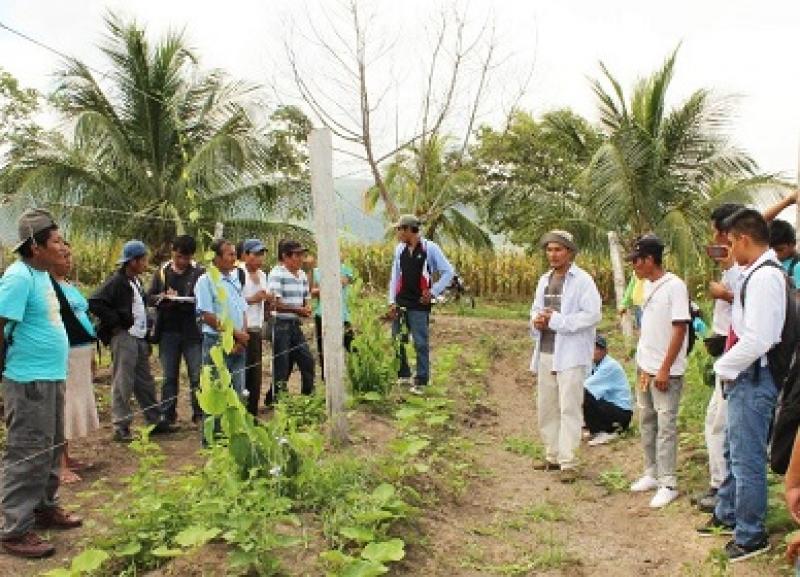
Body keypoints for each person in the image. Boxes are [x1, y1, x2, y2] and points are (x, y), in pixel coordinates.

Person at [697, 209, 786, 562]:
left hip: (753, 374)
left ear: (745, 240)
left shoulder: (766, 278)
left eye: (731, 241)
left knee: (747, 459)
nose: (728, 248)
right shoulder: (753, 273)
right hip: (745, 373)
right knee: (735, 451)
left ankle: (751, 535)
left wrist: (724, 366)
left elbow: (760, 338)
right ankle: (732, 514)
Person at [0, 208, 81, 559]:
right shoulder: (18, 277)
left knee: (49, 448)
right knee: (27, 452)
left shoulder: (40, 275)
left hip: (50, 376)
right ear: (35, 247)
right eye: (56, 241)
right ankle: (13, 528)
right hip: (29, 379)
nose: (62, 246)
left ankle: (44, 507)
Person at [530, 230, 602, 483]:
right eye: (549, 250)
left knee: (569, 407)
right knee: (546, 406)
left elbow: (592, 315)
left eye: (558, 250)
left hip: (570, 353)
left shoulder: (582, 280)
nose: (553, 254)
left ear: (569, 252)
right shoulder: (544, 280)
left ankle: (568, 461)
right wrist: (537, 321)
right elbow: (536, 310)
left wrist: (558, 321)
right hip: (547, 350)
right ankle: (552, 455)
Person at [90, 240, 175, 442]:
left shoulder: (134, 282)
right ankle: (121, 425)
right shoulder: (117, 282)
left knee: (144, 381)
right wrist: (116, 321)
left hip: (137, 336)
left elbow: (141, 302)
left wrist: (161, 298)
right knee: (123, 381)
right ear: (133, 261)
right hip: (125, 337)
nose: (146, 263)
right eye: (143, 259)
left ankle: (154, 420)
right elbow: (94, 302)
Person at [628, 234, 690, 509]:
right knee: (647, 420)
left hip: (666, 371)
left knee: (666, 426)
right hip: (645, 367)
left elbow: (680, 327)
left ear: (650, 259)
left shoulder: (674, 286)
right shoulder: (647, 286)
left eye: (637, 261)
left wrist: (665, 368)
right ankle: (651, 472)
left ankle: (668, 482)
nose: (634, 267)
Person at [692, 203, 743, 514]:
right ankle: (720, 486)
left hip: (736, 355)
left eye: (717, 230)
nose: (715, 237)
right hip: (726, 351)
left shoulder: (752, 269)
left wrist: (725, 294)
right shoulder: (733, 265)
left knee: (722, 425)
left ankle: (724, 491)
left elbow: (759, 306)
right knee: (715, 422)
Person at [387, 214, 454, 394]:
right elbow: (395, 276)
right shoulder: (399, 249)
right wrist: (391, 301)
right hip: (401, 302)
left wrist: (433, 292)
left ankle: (422, 380)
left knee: (420, 342)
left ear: (409, 230)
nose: (397, 233)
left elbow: (448, 271)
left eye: (399, 229)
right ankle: (403, 374)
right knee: (397, 339)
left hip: (419, 304)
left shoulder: (429, 249)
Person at [50, 242, 99, 484]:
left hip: (80, 350)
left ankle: (67, 458)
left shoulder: (68, 285)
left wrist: (91, 354)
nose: (68, 261)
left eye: (70, 256)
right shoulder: (47, 288)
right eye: (63, 256)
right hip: (65, 353)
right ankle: (58, 464)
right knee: (63, 407)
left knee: (74, 405)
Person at [148, 235, 204, 425]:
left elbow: (205, 299)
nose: (182, 262)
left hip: (192, 331)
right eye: (179, 256)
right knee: (169, 376)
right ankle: (168, 414)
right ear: (173, 252)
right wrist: (163, 297)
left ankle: (199, 412)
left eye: (186, 258)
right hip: (168, 331)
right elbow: (149, 297)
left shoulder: (199, 273)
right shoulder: (162, 272)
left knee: (197, 375)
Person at [195, 238, 249, 401]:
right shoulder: (205, 281)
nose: (234, 258)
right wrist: (235, 334)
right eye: (230, 254)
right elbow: (207, 315)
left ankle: (233, 427)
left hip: (239, 343)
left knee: (237, 393)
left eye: (235, 254)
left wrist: (242, 337)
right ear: (216, 258)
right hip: (217, 342)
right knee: (217, 393)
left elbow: (243, 309)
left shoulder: (234, 278)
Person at [266, 239, 315, 405]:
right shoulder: (276, 274)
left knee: (307, 360)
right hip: (280, 324)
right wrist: (298, 310)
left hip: (295, 325)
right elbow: (274, 304)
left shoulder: (301, 274)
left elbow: (306, 298)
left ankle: (307, 399)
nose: (301, 258)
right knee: (282, 365)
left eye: (302, 254)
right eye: (297, 255)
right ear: (285, 256)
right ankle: (278, 401)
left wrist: (306, 308)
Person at [239, 238, 272, 416]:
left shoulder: (262, 275)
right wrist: (254, 299)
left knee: (255, 374)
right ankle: (240, 412)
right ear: (245, 255)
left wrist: (267, 301)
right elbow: (233, 301)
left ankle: (252, 412)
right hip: (243, 330)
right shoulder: (238, 274)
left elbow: (262, 298)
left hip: (257, 329)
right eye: (256, 254)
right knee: (242, 373)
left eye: (262, 254)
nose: (260, 258)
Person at [582, 334, 632, 446]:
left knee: (583, 394)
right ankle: (597, 428)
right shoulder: (595, 365)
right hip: (613, 409)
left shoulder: (609, 366)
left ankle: (605, 431)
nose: (593, 351)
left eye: (597, 348)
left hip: (621, 414)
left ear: (605, 351)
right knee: (585, 396)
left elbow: (585, 387)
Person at [311, 256, 355, 377]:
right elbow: (313, 291)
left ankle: (357, 372)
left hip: (341, 314)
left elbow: (342, 283)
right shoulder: (317, 271)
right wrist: (322, 289)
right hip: (322, 314)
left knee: (352, 344)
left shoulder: (344, 269)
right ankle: (327, 377)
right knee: (323, 348)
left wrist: (323, 288)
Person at [769, 219, 800, 289]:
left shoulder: (798, 266)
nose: (775, 254)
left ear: (793, 244)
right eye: (771, 250)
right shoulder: (770, 262)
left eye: (780, 250)